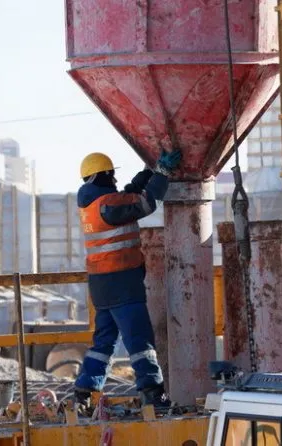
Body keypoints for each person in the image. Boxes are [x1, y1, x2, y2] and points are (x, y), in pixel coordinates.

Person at [73, 149, 183, 410]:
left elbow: (128, 194)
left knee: (103, 343)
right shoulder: (108, 205)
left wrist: (149, 172)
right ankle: (153, 393)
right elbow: (144, 203)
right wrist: (163, 174)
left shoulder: (93, 204)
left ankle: (84, 391)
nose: (113, 180)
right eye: (111, 176)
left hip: (102, 287)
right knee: (139, 340)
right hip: (122, 284)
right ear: (103, 176)